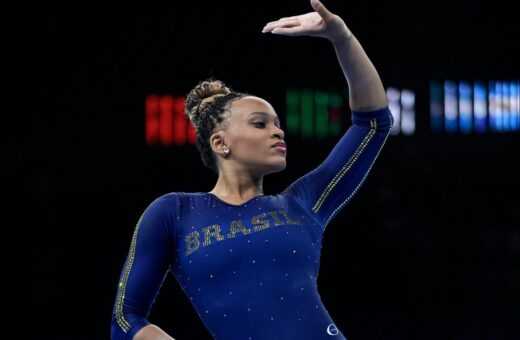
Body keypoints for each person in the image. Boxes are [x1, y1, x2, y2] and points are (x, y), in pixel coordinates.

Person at [111, 0, 392, 338]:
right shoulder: (174, 213)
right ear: (220, 143)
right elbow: (126, 318)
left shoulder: (302, 203)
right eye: (260, 124)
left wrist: (342, 37)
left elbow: (372, 124)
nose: (278, 131)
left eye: (277, 124)